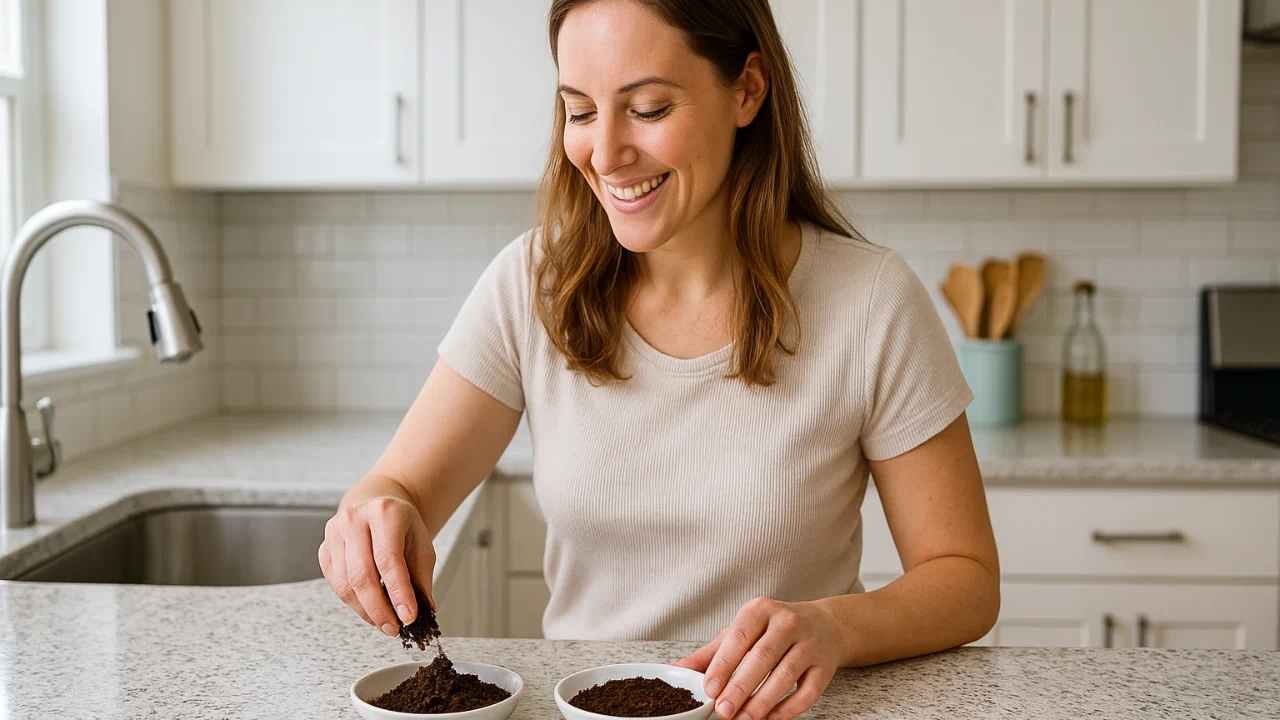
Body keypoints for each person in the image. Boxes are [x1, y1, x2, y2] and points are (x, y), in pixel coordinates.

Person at [319, 1, 1000, 719]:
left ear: (747, 89)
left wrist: (834, 626)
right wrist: (374, 515)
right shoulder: (532, 287)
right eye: (579, 112)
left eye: (647, 108)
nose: (605, 153)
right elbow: (396, 488)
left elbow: (965, 579)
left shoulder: (870, 300)